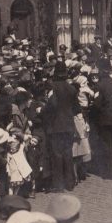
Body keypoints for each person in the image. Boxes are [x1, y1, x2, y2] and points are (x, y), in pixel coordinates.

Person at [41, 61, 80, 192]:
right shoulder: (72, 89)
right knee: (68, 154)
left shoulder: (53, 88)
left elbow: (51, 105)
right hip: (68, 125)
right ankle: (70, 182)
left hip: (55, 126)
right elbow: (76, 108)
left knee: (57, 155)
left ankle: (58, 184)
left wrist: (42, 111)